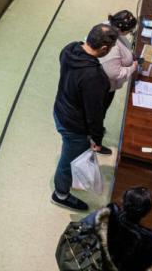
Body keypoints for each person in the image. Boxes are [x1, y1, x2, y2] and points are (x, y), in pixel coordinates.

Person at [52, 23, 119, 211]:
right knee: (68, 160)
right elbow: (94, 115)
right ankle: (61, 194)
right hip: (74, 124)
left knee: (70, 151)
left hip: (60, 109)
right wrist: (96, 138)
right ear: (105, 48)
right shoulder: (94, 77)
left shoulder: (70, 49)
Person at [79, 187, 152, 270]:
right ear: (146, 212)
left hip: (91, 263)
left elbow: (81, 229)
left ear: (123, 201)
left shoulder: (105, 216)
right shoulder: (151, 243)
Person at [98, 10, 138, 117]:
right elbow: (115, 74)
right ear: (120, 29)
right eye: (129, 31)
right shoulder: (111, 44)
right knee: (99, 110)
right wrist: (133, 67)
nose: (130, 33)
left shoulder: (108, 25)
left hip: (104, 83)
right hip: (104, 86)